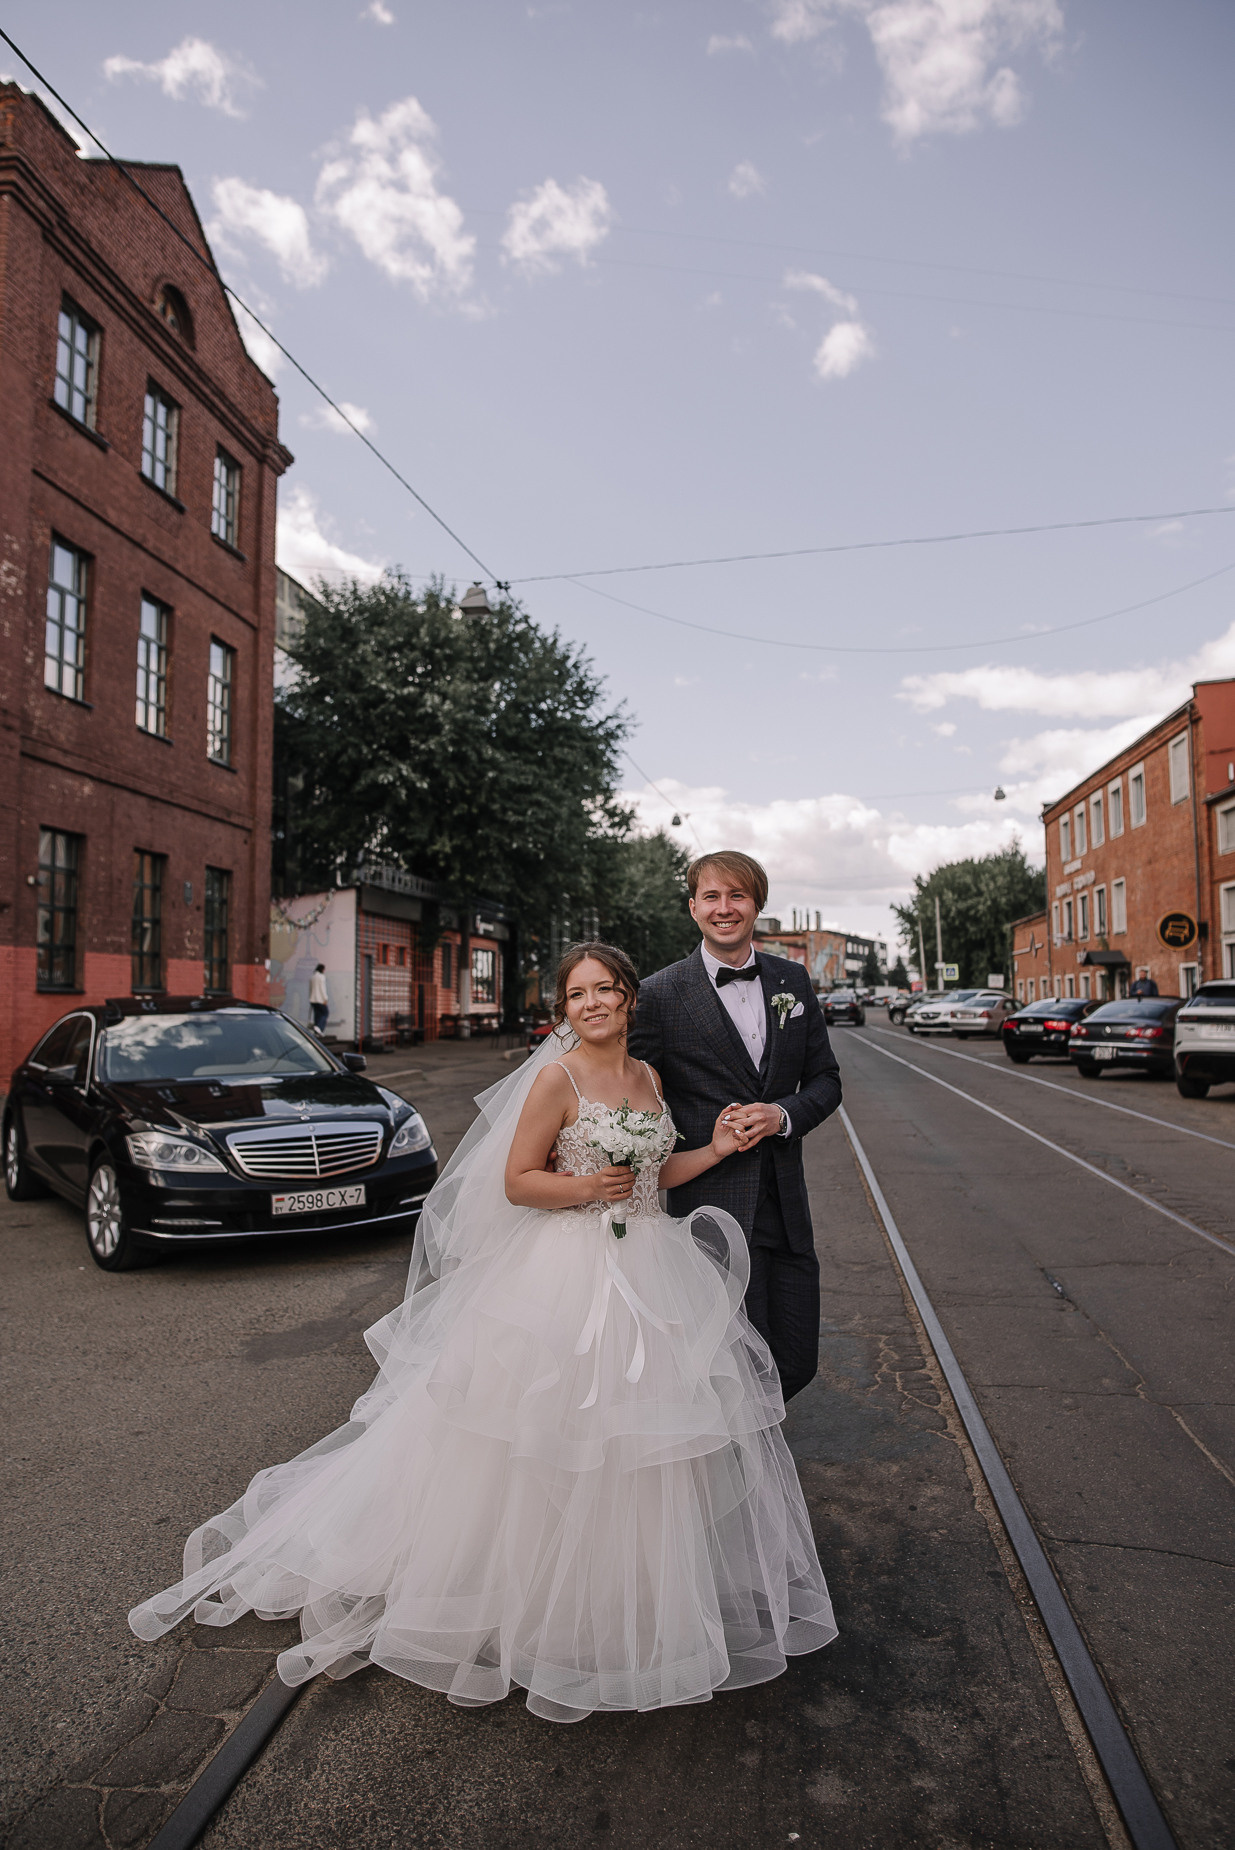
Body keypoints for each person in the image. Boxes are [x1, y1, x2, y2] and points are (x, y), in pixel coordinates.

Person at [128, 940, 836, 1721]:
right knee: (542, 1440)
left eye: (606, 990)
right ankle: (523, 1597)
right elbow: (516, 1181)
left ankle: (617, 1590)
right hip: (565, 1274)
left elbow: (654, 1175)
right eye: (577, 995)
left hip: (648, 1270)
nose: (593, 1004)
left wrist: (715, 1148)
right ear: (563, 1011)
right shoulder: (553, 1078)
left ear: (631, 999)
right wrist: (578, 1188)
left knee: (637, 1445)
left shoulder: (647, 1077)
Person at [629, 851, 841, 1402]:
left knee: (794, 1362)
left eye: (738, 896)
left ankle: (751, 1466)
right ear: (694, 907)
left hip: (784, 1207)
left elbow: (826, 1079)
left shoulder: (792, 980)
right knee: (721, 1371)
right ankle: (734, 1482)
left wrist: (783, 1115)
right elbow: (638, 1098)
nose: (725, 908)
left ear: (757, 906)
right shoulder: (660, 993)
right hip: (706, 1211)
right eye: (712, 897)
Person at [308, 963, 329, 1033]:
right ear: (322, 969)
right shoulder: (321, 977)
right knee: (325, 1013)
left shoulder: (312, 977)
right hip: (320, 999)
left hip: (313, 999)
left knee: (317, 1014)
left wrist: (310, 998)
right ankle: (319, 1027)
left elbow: (310, 989)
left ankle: (316, 1030)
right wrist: (325, 998)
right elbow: (322, 989)